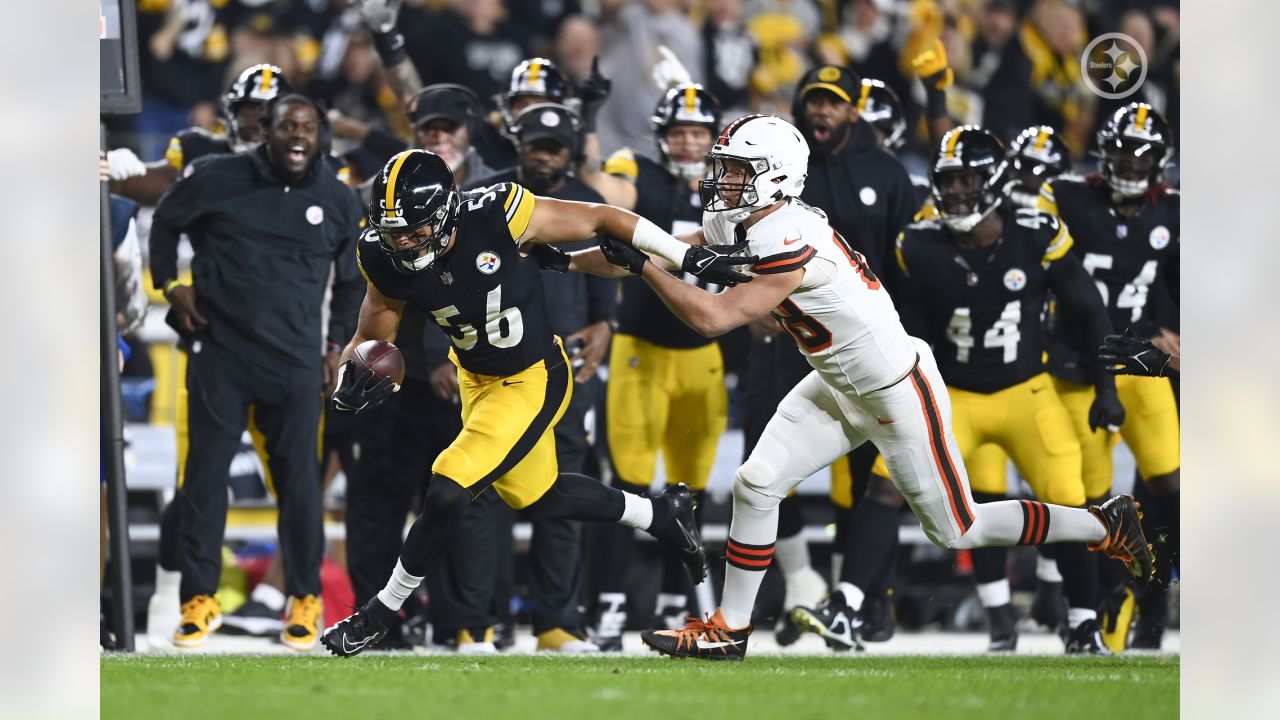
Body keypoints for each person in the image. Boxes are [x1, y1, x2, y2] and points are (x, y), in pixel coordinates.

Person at [587, 114, 1153, 661]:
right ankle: (728, 631)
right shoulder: (746, 219)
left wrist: (642, 268)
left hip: (896, 390)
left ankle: (1105, 523)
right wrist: (565, 260)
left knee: (959, 529)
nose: (722, 179)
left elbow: (709, 318)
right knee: (756, 485)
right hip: (838, 383)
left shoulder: (788, 233)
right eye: (725, 167)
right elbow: (662, 247)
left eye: (737, 169)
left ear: (775, 176)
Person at [319, 148, 753, 657]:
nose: (406, 243)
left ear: (444, 212)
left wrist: (684, 257)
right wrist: (356, 371)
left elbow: (603, 218)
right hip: (474, 380)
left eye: (416, 230)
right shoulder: (381, 251)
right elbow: (376, 332)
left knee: (447, 489)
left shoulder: (497, 212)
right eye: (396, 233)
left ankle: (377, 614)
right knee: (539, 495)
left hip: (532, 377)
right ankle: (659, 515)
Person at [821, 126, 1123, 654]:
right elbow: (904, 327)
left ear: (998, 182)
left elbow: (1091, 310)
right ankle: (846, 605)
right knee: (884, 484)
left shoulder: (1036, 233)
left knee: (1069, 498)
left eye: (968, 180)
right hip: (951, 394)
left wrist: (1106, 387)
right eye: (948, 180)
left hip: (1027, 392)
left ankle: (1081, 619)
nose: (956, 191)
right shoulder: (918, 243)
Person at [149, 94, 367, 651]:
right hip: (220, 353)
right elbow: (165, 224)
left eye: (309, 127)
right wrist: (173, 286)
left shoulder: (337, 199)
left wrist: (336, 342)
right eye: (287, 126)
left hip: (296, 362)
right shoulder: (216, 177)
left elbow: (350, 281)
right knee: (204, 479)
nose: (299, 136)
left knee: (300, 487)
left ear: (321, 136)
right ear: (263, 130)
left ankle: (303, 599)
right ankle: (198, 600)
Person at [434, 103, 617, 654]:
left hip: (563, 373)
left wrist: (608, 325)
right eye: (535, 143)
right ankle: (477, 622)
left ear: (569, 152)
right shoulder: (481, 200)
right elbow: (432, 282)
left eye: (555, 146)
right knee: (478, 495)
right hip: (491, 372)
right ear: (517, 143)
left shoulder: (589, 205)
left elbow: (607, 287)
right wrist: (433, 355)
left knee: (557, 495)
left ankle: (556, 623)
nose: (544, 154)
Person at [578, 81, 730, 647]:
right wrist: (589, 122)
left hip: (703, 356)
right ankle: (610, 605)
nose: (689, 143)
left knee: (687, 493)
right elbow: (601, 185)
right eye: (679, 131)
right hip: (641, 350)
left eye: (698, 132)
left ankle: (674, 600)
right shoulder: (640, 169)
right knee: (630, 485)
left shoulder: (734, 186)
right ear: (662, 136)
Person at [1037, 102, 1180, 650]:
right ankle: (1105, 601)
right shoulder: (1069, 196)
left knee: (1169, 487)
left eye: (1140, 155)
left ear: (1159, 163)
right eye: (1119, 150)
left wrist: (1168, 327)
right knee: (1094, 505)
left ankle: (1152, 601)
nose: (1128, 163)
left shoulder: (1174, 211)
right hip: (1076, 365)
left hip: (1140, 366)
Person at [109, 64, 295, 204]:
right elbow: (155, 183)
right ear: (232, 112)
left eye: (269, 113)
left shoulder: (307, 168)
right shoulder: (201, 150)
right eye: (251, 110)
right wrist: (113, 172)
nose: (259, 122)